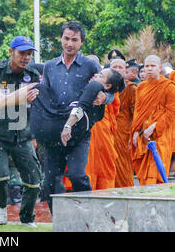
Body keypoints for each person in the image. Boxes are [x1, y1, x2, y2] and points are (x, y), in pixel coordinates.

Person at [31, 21, 113, 213]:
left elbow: (109, 91)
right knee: (51, 180)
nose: (69, 43)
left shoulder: (90, 65)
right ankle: (58, 219)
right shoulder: (50, 66)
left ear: (81, 42)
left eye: (74, 40)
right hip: (54, 131)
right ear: (61, 39)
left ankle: (85, 213)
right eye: (66, 38)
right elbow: (45, 94)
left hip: (80, 131)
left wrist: (103, 98)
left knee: (77, 175)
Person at [0, 36, 41, 227]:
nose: (26, 57)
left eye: (29, 54)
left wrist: (34, 100)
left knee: (33, 180)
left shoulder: (32, 75)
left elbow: (37, 101)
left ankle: (26, 217)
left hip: (22, 134)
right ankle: (0, 206)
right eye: (22, 53)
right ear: (11, 52)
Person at [130, 55, 175, 186]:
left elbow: (172, 111)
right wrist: (135, 131)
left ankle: (157, 199)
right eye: (147, 66)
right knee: (144, 171)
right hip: (143, 134)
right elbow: (138, 112)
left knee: (156, 168)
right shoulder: (141, 87)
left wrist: (153, 127)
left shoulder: (169, 86)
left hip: (161, 134)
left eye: (153, 66)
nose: (149, 69)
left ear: (160, 67)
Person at [113, 60, 138, 187]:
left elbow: (136, 113)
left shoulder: (131, 88)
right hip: (106, 129)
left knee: (122, 163)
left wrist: (135, 132)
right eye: (114, 67)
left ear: (125, 71)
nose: (117, 69)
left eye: (120, 67)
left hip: (123, 131)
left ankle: (125, 189)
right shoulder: (102, 87)